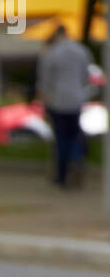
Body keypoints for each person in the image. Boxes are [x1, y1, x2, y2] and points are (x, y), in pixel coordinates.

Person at [37, 23, 91, 188]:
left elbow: (44, 82)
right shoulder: (82, 51)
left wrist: (44, 103)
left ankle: (61, 175)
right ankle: (76, 159)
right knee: (74, 134)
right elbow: (86, 76)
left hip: (57, 100)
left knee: (61, 138)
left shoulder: (51, 53)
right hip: (76, 99)